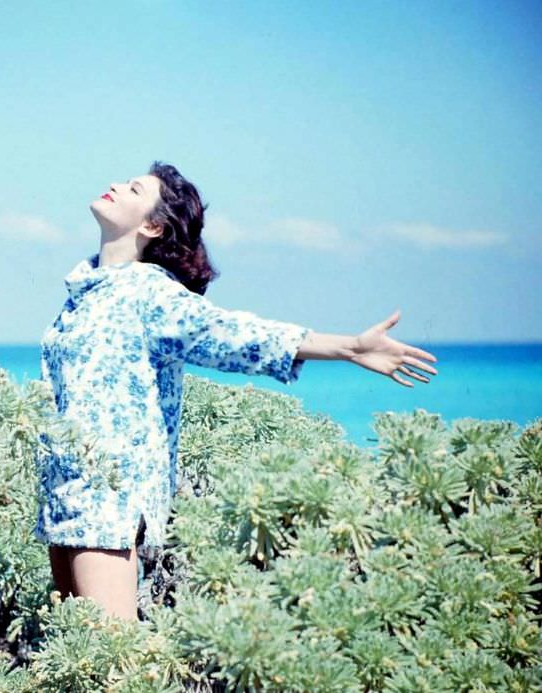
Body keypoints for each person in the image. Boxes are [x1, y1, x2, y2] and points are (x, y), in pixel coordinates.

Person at [33, 161, 438, 622]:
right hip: (64, 491)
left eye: (133, 189)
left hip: (109, 498)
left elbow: (233, 333)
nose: (114, 186)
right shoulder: (86, 291)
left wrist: (348, 347)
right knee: (75, 655)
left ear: (153, 225)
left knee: (108, 660)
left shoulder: (148, 293)